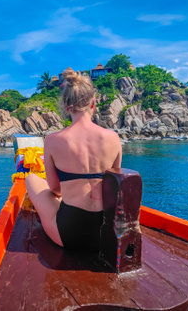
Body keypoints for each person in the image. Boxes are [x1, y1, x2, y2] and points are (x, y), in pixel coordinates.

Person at [26, 69, 122, 251]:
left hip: (69, 235)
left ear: (66, 106)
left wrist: (71, 187)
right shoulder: (113, 138)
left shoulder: (53, 140)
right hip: (105, 235)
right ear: (93, 103)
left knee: (31, 179)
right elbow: (114, 186)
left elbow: (54, 189)